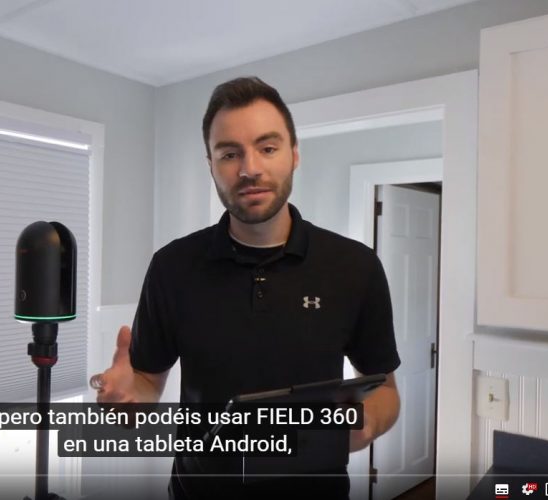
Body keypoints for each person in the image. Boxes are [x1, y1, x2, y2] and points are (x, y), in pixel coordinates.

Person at [93, 76, 401, 499]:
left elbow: (385, 390)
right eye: (229, 154)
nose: (249, 168)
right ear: (211, 165)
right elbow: (146, 381)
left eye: (267, 148)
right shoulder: (172, 267)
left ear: (294, 154)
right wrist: (127, 400)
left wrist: (366, 422)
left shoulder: (355, 266)